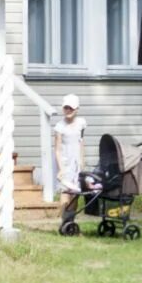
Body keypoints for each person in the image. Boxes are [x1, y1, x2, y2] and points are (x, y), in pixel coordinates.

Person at [53, 93, 86, 224]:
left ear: (77, 109)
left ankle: (71, 222)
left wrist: (82, 160)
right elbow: (57, 149)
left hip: (76, 161)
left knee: (76, 192)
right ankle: (64, 221)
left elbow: (81, 142)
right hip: (64, 161)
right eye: (66, 108)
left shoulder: (81, 123)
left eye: (71, 108)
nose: (68, 111)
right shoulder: (60, 126)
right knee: (66, 190)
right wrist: (61, 168)